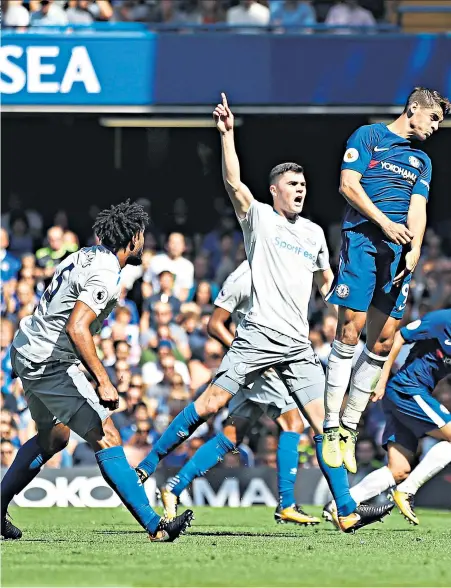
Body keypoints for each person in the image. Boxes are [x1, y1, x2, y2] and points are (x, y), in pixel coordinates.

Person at [135, 93, 393, 533]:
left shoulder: (313, 233)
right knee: (209, 406)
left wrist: (355, 304)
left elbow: (328, 284)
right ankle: (145, 467)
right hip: (256, 338)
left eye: (304, 185)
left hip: (296, 345)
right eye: (293, 185)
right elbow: (235, 184)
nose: (300, 190)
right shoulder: (259, 220)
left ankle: (346, 510)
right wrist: (227, 136)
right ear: (274, 191)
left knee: (325, 425)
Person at [1, 200, 193, 542]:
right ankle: (156, 525)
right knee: (106, 435)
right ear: (133, 238)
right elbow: (77, 327)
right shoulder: (105, 271)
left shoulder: (86, 255)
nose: (145, 243)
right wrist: (103, 381)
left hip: (28, 350)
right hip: (49, 362)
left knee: (54, 439)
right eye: (143, 237)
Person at [323, 87, 450, 474]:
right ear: (414, 109)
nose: (436, 127)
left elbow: (418, 209)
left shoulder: (422, 161)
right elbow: (348, 186)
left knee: (382, 341)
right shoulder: (370, 136)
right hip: (363, 239)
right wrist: (383, 222)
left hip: (397, 252)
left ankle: (348, 426)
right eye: (433, 119)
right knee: (351, 330)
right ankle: (330, 426)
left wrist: (414, 250)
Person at [159, 260, 322, 526]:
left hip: (254, 361)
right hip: (258, 361)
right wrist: (243, 353)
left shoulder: (271, 268)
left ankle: (174, 487)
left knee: (233, 435)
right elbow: (215, 324)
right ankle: (287, 503)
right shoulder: (248, 273)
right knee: (293, 422)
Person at [324, 309, 451, 527]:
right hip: (406, 389)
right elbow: (399, 337)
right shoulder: (443, 319)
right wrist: (381, 378)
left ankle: (338, 505)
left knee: (398, 469)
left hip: (409, 393)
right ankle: (407, 492)